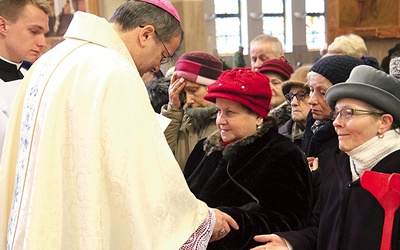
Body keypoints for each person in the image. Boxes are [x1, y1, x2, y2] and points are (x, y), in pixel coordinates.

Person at [0, 1, 239, 249]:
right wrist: (201, 219)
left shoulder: (49, 62)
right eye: (164, 55)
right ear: (146, 34)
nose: (159, 66)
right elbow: (141, 172)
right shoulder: (114, 72)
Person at [251, 65, 400, 250]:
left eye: (348, 113)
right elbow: (320, 229)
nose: (336, 122)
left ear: (384, 122)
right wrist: (290, 243)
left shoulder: (395, 173)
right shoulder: (338, 165)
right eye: (336, 112)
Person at [184, 68, 313, 250]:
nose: (220, 121)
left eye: (230, 113)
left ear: (258, 115)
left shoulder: (282, 155)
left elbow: (289, 221)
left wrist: (229, 221)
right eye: (219, 111)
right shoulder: (205, 148)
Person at [301, 55, 368, 204]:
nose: (311, 100)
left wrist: (315, 180)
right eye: (311, 90)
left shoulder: (349, 139)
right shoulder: (313, 127)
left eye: (322, 92)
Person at [0, 0, 51, 161]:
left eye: (44, 34)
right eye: (34, 31)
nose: (42, 43)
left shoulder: (35, 77)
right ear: (2, 26)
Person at [161, 51, 223, 170]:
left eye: (193, 90)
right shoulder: (180, 117)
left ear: (212, 87)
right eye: (184, 93)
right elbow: (160, 153)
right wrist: (173, 109)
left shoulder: (227, 121)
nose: (188, 100)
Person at [279, 65, 312, 147]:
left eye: (301, 95)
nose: (293, 103)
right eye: (290, 97)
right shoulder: (279, 137)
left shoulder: (330, 135)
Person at [259, 59, 294, 128]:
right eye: (265, 83)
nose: (269, 88)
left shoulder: (294, 119)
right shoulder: (256, 116)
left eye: (275, 83)